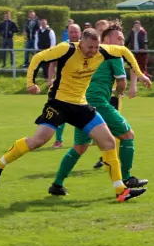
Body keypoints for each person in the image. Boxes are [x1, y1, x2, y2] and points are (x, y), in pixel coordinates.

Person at [0, 28, 152, 202]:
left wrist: (140, 75)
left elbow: (125, 51)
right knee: (39, 140)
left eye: (96, 47)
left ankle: (121, 191)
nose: (93, 51)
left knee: (109, 141)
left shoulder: (103, 51)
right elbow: (38, 57)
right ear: (81, 42)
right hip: (59, 103)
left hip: (81, 106)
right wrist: (30, 83)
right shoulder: (67, 49)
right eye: (89, 47)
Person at [50, 21, 148, 196]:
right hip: (98, 104)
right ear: (107, 39)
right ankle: (126, 178)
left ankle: (57, 184)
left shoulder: (89, 53)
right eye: (119, 38)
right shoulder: (112, 54)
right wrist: (118, 93)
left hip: (80, 103)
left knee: (80, 146)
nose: (122, 41)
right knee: (128, 135)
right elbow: (121, 83)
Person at [50, 23, 82, 148]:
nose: (73, 34)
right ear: (67, 33)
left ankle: (87, 138)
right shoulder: (63, 47)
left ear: (80, 33)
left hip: (82, 86)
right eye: (71, 32)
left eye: (75, 32)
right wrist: (51, 78)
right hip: (64, 86)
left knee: (85, 114)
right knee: (60, 113)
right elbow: (52, 62)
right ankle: (59, 140)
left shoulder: (86, 46)